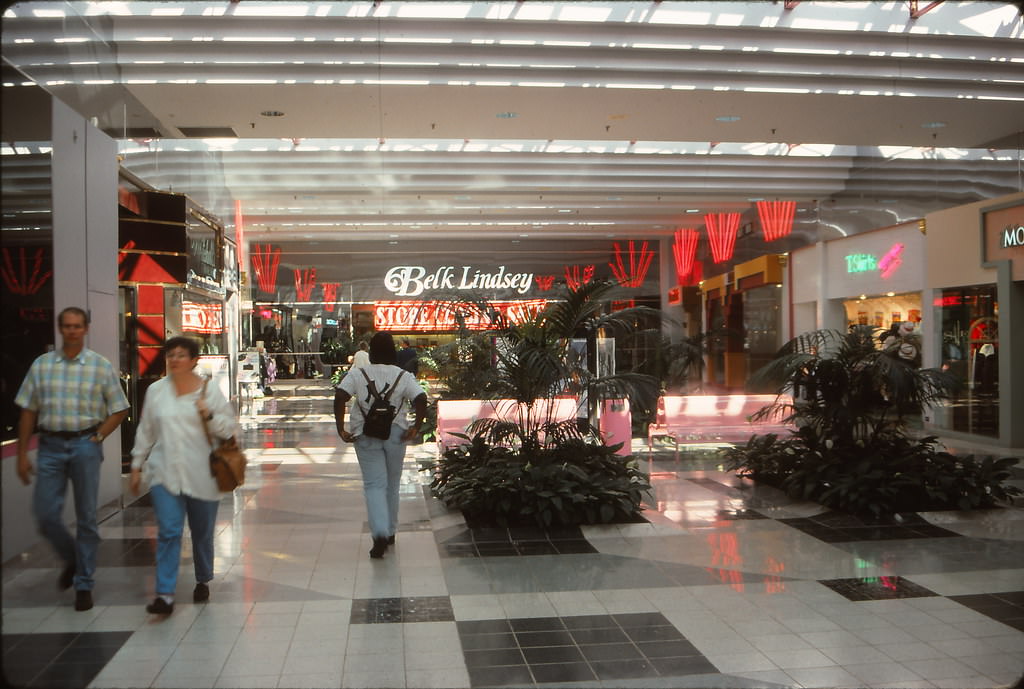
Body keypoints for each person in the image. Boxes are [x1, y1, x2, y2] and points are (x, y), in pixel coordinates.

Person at [14, 306, 130, 612]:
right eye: (67, 326)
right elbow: (28, 410)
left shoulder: (99, 366)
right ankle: (73, 559)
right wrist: (22, 453)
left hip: (84, 444)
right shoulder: (42, 365)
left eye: (78, 326)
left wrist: (99, 436)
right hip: (50, 445)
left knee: (87, 518)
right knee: (46, 515)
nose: (72, 331)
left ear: (86, 328)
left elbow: (120, 408)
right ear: (60, 329)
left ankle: (84, 584)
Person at [129, 337, 237, 615]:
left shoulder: (208, 391)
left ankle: (203, 578)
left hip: (202, 473)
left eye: (181, 355)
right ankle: (164, 594)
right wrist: (137, 463)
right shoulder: (156, 391)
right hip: (164, 472)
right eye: (171, 355)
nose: (174, 359)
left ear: (193, 360)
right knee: (169, 531)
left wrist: (209, 415)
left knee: (201, 533)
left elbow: (228, 429)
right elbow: (146, 429)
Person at [334, 332, 426, 559]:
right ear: (393, 351)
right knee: (392, 484)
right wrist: (416, 427)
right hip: (396, 433)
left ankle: (380, 534)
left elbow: (340, 397)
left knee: (375, 484)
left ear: (371, 352)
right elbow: (421, 399)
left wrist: (341, 429)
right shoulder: (402, 375)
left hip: (364, 433)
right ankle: (391, 531)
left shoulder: (357, 374)